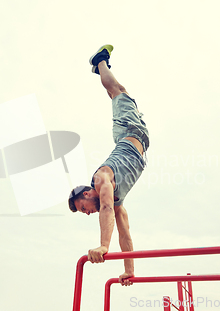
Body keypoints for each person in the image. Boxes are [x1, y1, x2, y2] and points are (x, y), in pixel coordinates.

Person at [68, 45, 150, 287]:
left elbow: (104, 208)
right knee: (116, 94)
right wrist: (129, 270)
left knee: (118, 91)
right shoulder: (117, 202)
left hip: (129, 131)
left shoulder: (102, 178)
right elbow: (124, 233)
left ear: (86, 193)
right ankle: (99, 67)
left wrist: (104, 246)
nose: (87, 212)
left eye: (83, 208)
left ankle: (100, 61)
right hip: (132, 135)